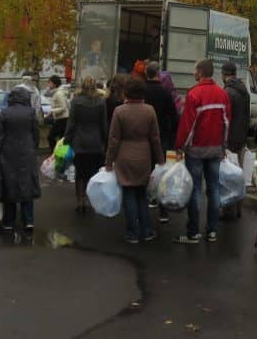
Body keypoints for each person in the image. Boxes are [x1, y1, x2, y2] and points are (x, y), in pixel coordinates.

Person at [174, 58, 231, 244]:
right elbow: (226, 123)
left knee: (195, 189)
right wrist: (224, 146)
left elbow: (187, 125)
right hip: (215, 149)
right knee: (214, 189)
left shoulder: (194, 94)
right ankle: (212, 231)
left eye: (195, 69)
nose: (193, 72)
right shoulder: (222, 94)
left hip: (196, 150)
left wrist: (180, 146)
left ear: (200, 72)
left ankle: (193, 233)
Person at [107, 77, 164, 243]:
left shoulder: (119, 111)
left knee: (128, 195)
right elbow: (155, 138)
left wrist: (108, 162)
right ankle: (147, 230)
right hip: (144, 156)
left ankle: (132, 233)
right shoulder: (150, 110)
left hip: (124, 156)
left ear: (127, 92)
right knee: (141, 195)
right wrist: (160, 160)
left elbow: (114, 139)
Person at [0, 86, 41, 231]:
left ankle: (9, 221)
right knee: (26, 183)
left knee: (9, 184)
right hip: (27, 151)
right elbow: (36, 134)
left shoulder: (4, 113)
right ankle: (28, 220)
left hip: (8, 152)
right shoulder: (31, 112)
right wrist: (32, 147)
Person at [64, 76, 108, 213]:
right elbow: (104, 125)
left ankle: (80, 200)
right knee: (92, 172)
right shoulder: (101, 102)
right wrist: (106, 142)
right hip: (96, 143)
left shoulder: (76, 101)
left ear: (82, 86)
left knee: (80, 173)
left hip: (80, 142)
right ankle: (88, 199)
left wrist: (67, 140)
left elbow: (71, 123)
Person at [144, 62, 177, 223]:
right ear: (158, 74)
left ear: (146, 73)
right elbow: (174, 116)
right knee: (162, 174)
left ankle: (146, 203)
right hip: (162, 137)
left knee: (146, 172)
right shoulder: (165, 93)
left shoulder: (141, 91)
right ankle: (163, 211)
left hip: (143, 138)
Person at [221, 61, 250, 219]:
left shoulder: (227, 92)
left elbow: (225, 118)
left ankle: (228, 210)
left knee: (228, 177)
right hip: (241, 138)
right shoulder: (243, 90)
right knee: (239, 175)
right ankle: (238, 208)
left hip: (230, 138)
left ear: (224, 74)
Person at [46, 75, 70, 151]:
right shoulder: (57, 92)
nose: (48, 85)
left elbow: (63, 107)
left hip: (62, 119)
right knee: (61, 139)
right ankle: (59, 155)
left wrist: (52, 111)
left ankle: (55, 153)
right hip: (62, 119)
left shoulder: (59, 94)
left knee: (51, 137)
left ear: (54, 84)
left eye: (49, 83)